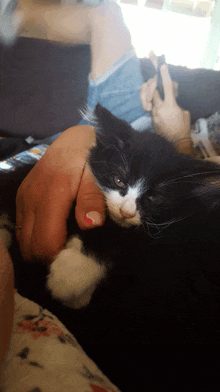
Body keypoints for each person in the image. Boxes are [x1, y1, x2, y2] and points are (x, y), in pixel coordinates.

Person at [8, 0, 191, 265]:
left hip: (124, 140)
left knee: (105, 11)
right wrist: (166, 104)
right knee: (106, 10)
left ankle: (16, 13)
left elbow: (188, 195)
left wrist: (181, 139)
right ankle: (16, 14)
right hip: (139, 122)